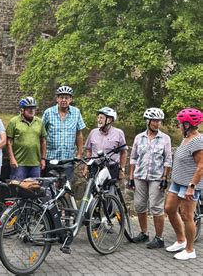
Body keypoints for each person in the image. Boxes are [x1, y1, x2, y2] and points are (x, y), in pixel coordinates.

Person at [128, 108, 172, 248]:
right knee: (140, 205)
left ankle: (159, 238)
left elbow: (168, 160)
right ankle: (144, 233)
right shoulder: (139, 137)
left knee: (156, 207)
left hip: (156, 177)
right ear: (148, 121)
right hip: (140, 176)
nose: (157, 123)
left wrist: (165, 177)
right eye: (154, 121)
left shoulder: (165, 138)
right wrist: (131, 176)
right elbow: (133, 158)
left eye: (159, 121)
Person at [164, 108, 203, 260]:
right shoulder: (186, 137)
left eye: (180, 123)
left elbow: (201, 166)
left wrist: (191, 187)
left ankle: (190, 249)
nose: (178, 125)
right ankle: (181, 240)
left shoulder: (198, 141)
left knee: (187, 216)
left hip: (189, 185)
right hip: (177, 182)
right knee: (169, 209)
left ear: (188, 124)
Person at [43, 86, 85, 180]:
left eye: (66, 97)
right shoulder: (48, 112)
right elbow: (42, 136)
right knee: (50, 188)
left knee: (67, 187)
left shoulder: (76, 112)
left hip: (68, 158)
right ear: (57, 99)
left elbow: (79, 134)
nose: (64, 100)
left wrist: (79, 154)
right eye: (61, 97)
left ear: (71, 99)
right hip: (51, 157)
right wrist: (42, 156)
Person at [6, 97, 46, 180]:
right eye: (29, 108)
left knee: (35, 190)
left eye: (33, 108)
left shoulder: (39, 122)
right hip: (19, 163)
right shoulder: (14, 121)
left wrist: (43, 159)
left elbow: (43, 141)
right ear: (22, 109)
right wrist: (12, 159)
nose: (32, 110)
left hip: (35, 163)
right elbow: (8, 142)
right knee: (17, 188)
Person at [84, 107, 127, 180]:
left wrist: (121, 169)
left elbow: (124, 153)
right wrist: (86, 167)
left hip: (111, 168)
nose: (98, 120)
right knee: (92, 189)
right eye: (98, 118)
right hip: (95, 167)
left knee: (110, 190)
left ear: (109, 120)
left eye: (101, 118)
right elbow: (89, 151)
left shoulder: (119, 133)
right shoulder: (93, 132)